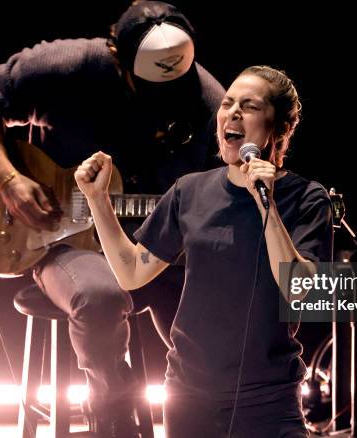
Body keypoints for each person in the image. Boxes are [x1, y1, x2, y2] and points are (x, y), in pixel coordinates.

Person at [0, 1, 225, 436]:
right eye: (149, 89)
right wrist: (7, 179)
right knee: (100, 296)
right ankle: (112, 404)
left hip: (152, 248)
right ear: (118, 61)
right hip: (63, 241)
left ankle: (207, 412)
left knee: (222, 309)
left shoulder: (208, 101)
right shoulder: (72, 66)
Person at [75, 65, 334, 437]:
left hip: (268, 401)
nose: (232, 112)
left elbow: (299, 291)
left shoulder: (308, 199)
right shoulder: (189, 192)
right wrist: (97, 200)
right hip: (188, 395)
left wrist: (266, 205)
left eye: (250, 106)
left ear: (279, 128)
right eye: (228, 103)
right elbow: (131, 272)